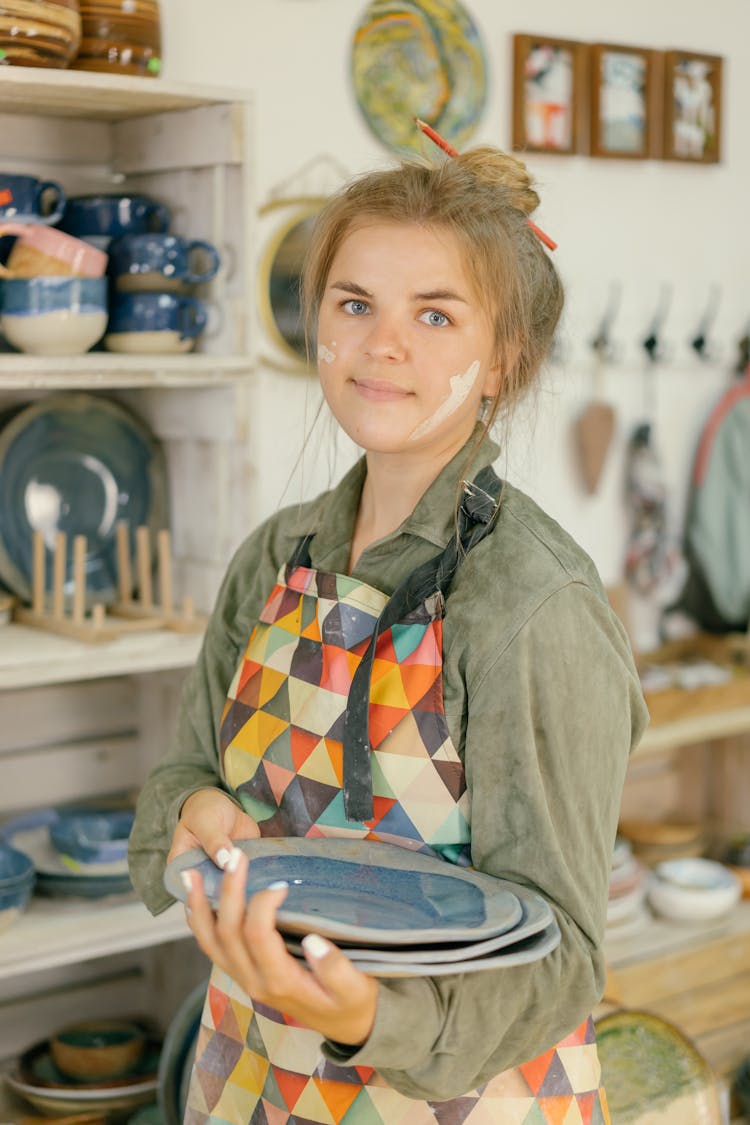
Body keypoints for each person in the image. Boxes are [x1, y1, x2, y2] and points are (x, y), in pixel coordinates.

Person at [128, 135, 649, 1124]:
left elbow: (570, 961)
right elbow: (180, 774)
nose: (383, 344)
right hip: (250, 1078)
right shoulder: (274, 559)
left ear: (506, 360)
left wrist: (369, 1013)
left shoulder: (531, 604)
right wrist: (193, 812)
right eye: (354, 302)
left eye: (437, 315)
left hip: (453, 1095)